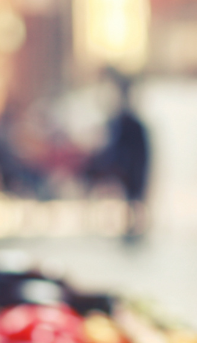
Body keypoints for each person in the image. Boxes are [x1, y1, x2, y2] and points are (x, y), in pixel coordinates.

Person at [86, 72, 150, 241]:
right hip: (125, 166)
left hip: (131, 167)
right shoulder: (122, 122)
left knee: (134, 197)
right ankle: (125, 224)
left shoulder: (131, 124)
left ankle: (132, 225)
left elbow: (135, 151)